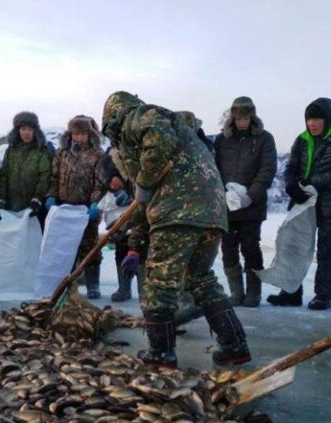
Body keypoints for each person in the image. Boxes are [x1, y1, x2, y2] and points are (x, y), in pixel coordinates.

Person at [102, 91, 251, 367]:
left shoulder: (138, 117)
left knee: (160, 283)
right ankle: (234, 344)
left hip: (178, 210)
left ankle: (160, 353)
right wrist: (135, 245)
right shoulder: (184, 143)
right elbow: (144, 207)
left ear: (113, 116)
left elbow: (155, 143)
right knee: (200, 277)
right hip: (210, 211)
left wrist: (144, 183)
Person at [268, 98, 331, 310]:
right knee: (293, 247)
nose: (312, 123)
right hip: (303, 202)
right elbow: (291, 168)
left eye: (316, 119)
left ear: (326, 119)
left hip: (330, 204)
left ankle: (323, 295)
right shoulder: (301, 140)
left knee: (326, 251)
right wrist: (291, 185)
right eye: (309, 119)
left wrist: (312, 182)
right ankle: (291, 292)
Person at [214, 97, 277, 307]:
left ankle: (254, 291)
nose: (242, 122)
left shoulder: (264, 139)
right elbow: (215, 169)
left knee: (250, 247)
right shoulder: (222, 140)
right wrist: (223, 193)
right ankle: (236, 292)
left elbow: (267, 170)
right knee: (228, 248)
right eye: (238, 117)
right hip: (227, 205)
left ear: (252, 116)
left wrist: (251, 195)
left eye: (246, 117)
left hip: (252, 205)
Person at [46, 115, 105, 299]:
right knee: (65, 247)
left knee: (90, 246)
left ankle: (93, 285)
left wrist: (95, 202)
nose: (78, 137)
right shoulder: (62, 153)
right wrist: (51, 196)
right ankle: (67, 284)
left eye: (82, 133)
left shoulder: (98, 155)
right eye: (75, 133)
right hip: (65, 208)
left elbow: (100, 182)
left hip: (87, 209)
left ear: (89, 134)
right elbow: (54, 177)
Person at [0, 111, 52, 230]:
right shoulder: (11, 150)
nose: (26, 133)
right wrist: (1, 197)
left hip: (33, 206)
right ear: (17, 130)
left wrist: (37, 199)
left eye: (30, 129)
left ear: (35, 131)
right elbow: (4, 174)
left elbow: (45, 177)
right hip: (11, 206)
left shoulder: (42, 150)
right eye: (23, 129)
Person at [96, 149, 137, 301]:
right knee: (121, 250)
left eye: (114, 184)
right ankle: (124, 288)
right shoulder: (109, 157)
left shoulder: (134, 157)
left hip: (138, 215)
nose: (113, 186)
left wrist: (130, 194)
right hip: (119, 219)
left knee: (139, 250)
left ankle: (143, 290)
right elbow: (101, 176)